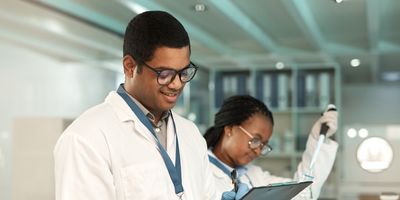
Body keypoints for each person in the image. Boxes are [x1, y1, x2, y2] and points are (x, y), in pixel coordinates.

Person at [54, 10, 243, 200]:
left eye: (184, 72)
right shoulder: (86, 138)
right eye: (164, 74)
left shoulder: (190, 133)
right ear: (130, 67)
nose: (177, 84)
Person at [204, 95, 338, 199]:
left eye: (263, 145)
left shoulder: (254, 174)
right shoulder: (199, 171)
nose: (257, 151)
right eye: (256, 140)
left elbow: (302, 193)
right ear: (230, 130)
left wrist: (318, 140)